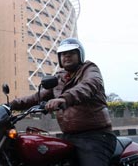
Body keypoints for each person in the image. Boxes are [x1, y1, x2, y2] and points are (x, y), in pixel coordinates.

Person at [9, 38, 116, 166]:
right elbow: (37, 97)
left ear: (80, 55)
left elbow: (88, 86)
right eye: (63, 54)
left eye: (71, 53)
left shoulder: (90, 70)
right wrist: (10, 105)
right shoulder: (59, 78)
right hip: (69, 136)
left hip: (95, 137)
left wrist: (64, 98)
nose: (67, 56)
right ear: (59, 58)